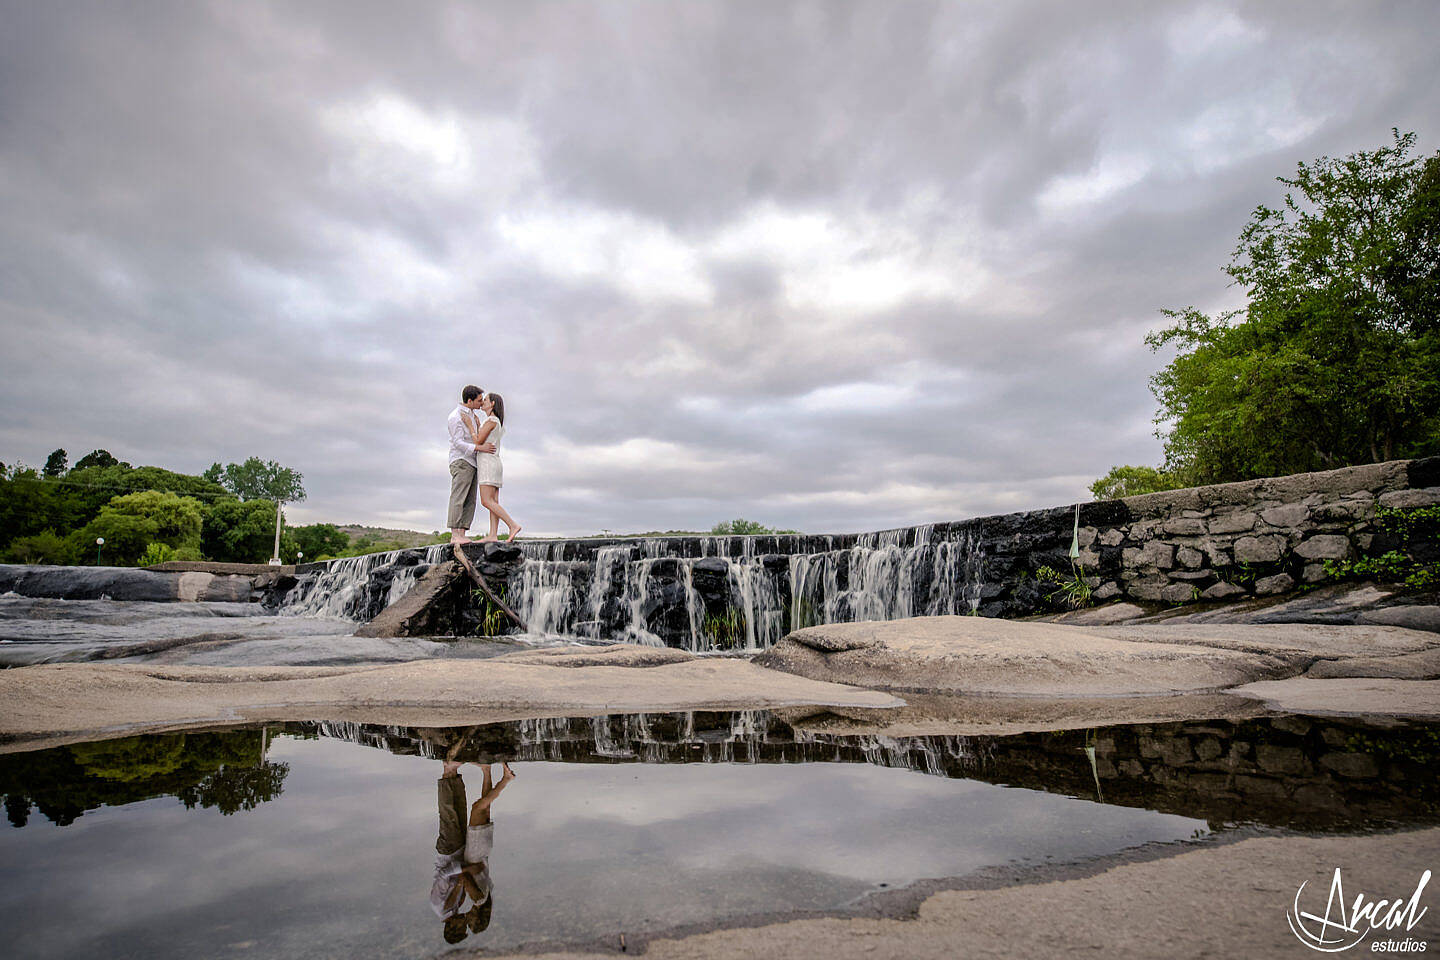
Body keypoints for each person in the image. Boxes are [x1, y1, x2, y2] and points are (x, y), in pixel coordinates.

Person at [429, 749, 517, 944]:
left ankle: (451, 771)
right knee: (476, 809)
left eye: (462, 927)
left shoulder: (439, 905)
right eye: (467, 926)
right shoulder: (458, 906)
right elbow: (465, 877)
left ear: (452, 927)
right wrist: (465, 870)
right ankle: (464, 771)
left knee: (451, 812)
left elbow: (443, 874)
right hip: (465, 851)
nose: (464, 923)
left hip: (449, 851)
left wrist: (464, 870)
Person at [464, 391, 522, 542]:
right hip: (494, 463)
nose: (482, 402)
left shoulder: (491, 421)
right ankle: (493, 535)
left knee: (486, 501)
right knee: (493, 501)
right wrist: (478, 425)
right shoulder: (496, 422)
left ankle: (512, 525)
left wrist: (470, 425)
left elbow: (477, 441)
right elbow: (485, 438)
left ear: (492, 403)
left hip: (488, 463)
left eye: (486, 400)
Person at [447, 385, 496, 545]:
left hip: (473, 461)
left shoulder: (473, 416)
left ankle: (462, 533)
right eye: (479, 400)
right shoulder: (456, 417)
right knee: (459, 497)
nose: (481, 403)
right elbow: (458, 442)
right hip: (462, 460)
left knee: (470, 499)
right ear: (469, 401)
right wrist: (479, 448)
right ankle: (455, 534)